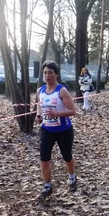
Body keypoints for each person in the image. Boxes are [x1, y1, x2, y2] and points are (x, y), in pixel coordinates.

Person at [35, 61, 77, 200]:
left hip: (63, 129)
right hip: (46, 129)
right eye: (45, 73)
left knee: (67, 156)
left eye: (50, 72)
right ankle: (47, 185)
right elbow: (40, 105)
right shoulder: (40, 91)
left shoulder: (61, 91)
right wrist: (38, 115)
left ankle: (72, 177)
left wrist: (56, 114)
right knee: (44, 158)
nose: (47, 75)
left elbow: (72, 111)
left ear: (56, 74)